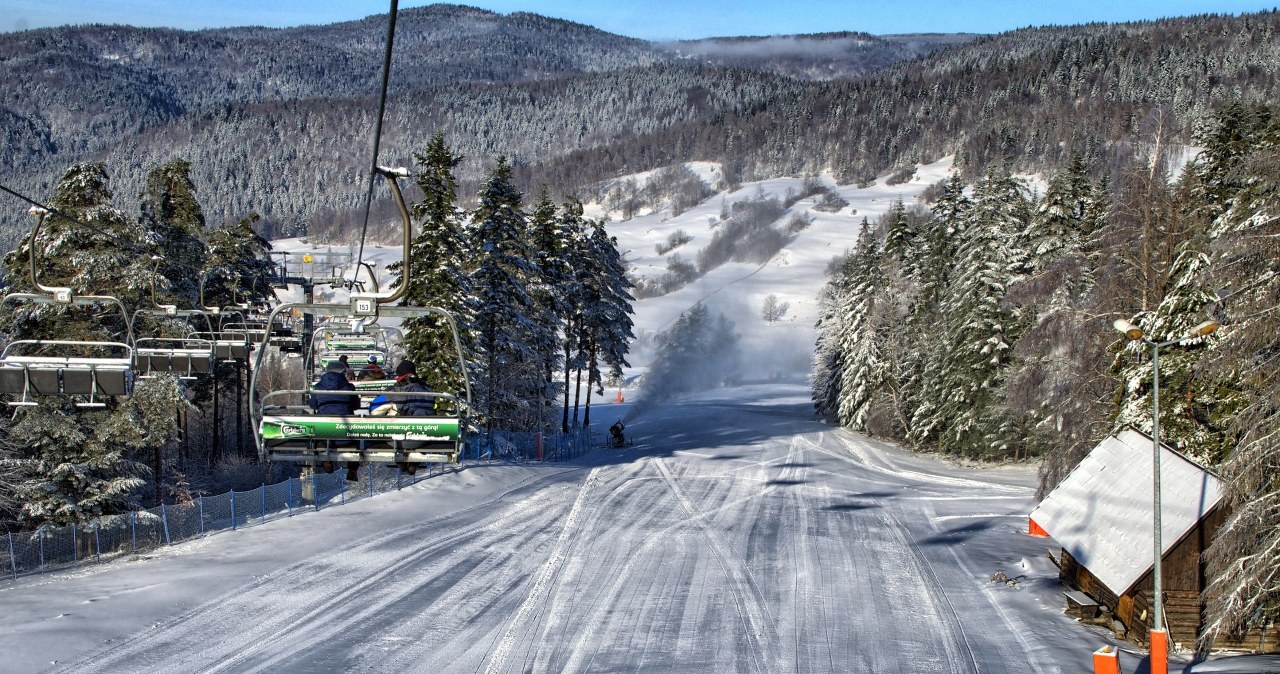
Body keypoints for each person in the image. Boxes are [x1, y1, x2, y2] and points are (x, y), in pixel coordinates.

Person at [311, 360, 361, 481]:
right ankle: (352, 468)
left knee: (316, 431)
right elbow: (356, 405)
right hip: (346, 437)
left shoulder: (317, 387)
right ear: (343, 373)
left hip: (325, 436)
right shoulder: (349, 387)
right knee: (359, 437)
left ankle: (326, 459)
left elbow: (313, 405)